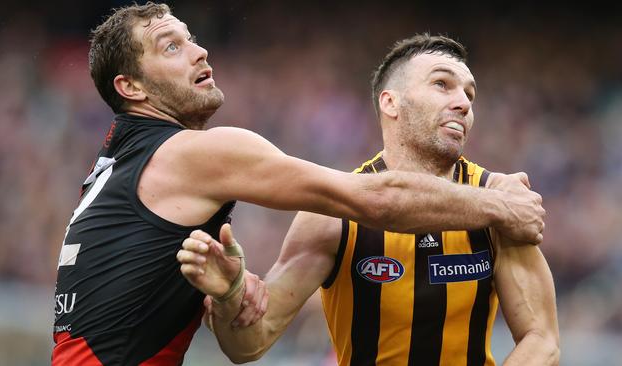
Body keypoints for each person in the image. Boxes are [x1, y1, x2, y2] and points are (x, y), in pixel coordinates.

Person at [51, 1, 545, 364]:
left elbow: (543, 340)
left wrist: (227, 294)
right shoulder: (194, 153)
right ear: (130, 87)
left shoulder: (120, 162)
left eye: (470, 92)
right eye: (172, 46)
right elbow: (380, 200)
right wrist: (502, 206)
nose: (200, 51)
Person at [179, 34, 559, 365]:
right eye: (442, 84)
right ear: (390, 103)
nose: (463, 102)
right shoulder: (332, 217)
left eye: (469, 93)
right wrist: (230, 295)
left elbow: (542, 341)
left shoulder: (503, 202)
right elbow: (249, 344)